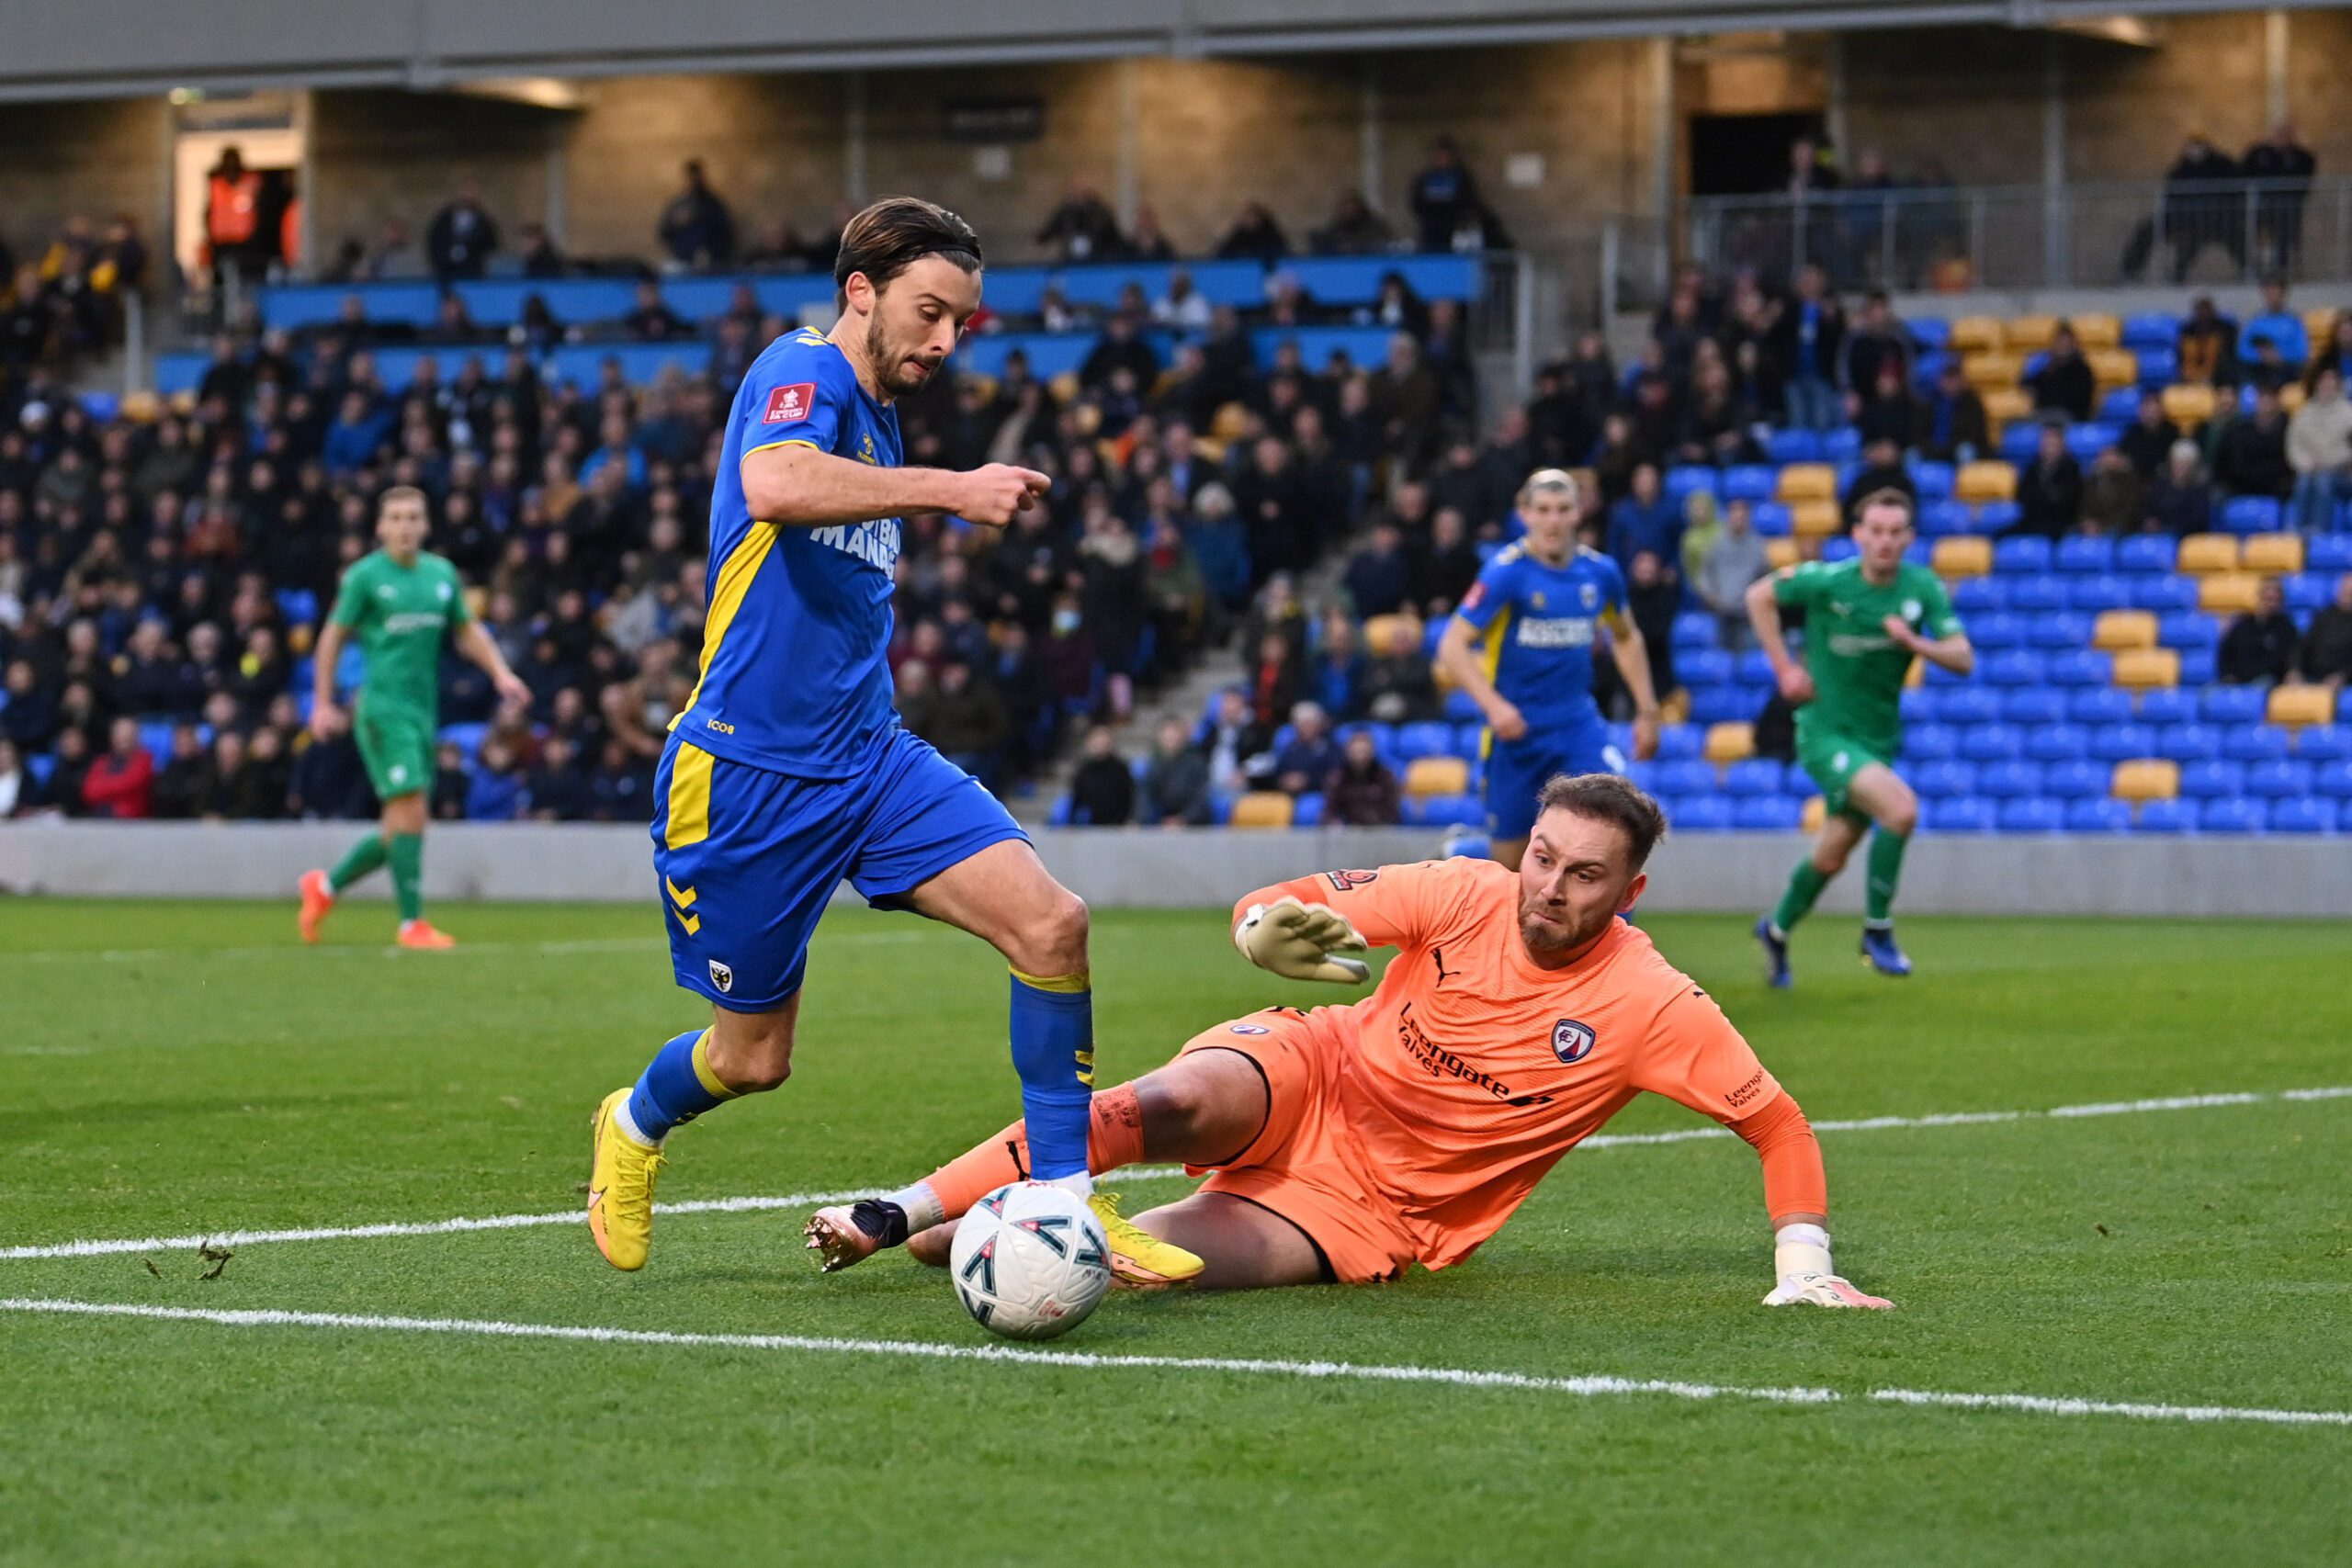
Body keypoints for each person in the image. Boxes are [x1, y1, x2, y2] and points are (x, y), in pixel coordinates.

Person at [581, 197, 1194, 1290]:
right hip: (749, 775)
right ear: (860, 291)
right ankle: (632, 1123)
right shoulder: (801, 368)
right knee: (750, 1060)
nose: (946, 341)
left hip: (871, 760)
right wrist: (952, 492)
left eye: (962, 323)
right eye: (930, 313)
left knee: (1052, 925)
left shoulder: (877, 414)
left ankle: (1067, 1201)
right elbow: (775, 483)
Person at [810, 774, 1891, 1309]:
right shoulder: (1464, 890)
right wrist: (1262, 931)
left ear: (1630, 892)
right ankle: (896, 1209)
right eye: (1542, 857)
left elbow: (1778, 1125)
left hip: (1372, 1211)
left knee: (1143, 1268)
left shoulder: (1653, 1004)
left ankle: (997, 1226)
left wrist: (1803, 1267)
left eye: (1583, 875)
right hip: (1313, 1073)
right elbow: (1277, 901)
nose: (1549, 888)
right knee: (1160, 1106)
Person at [1749, 490, 1973, 984]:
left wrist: (1914, 642)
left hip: (1877, 740)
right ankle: (1877, 929)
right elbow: (1758, 596)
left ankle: (1776, 929)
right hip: (1824, 734)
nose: (1885, 541)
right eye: (1876, 531)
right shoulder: (1830, 581)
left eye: (1895, 532)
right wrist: (1785, 669)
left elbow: (1963, 658)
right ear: (1858, 535)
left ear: (1909, 538)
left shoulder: (1921, 588)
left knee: (1831, 855)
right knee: (1901, 810)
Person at [299, 487, 532, 948]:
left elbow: (467, 630)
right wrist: (322, 704)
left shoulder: (440, 575)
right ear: (381, 527)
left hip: (424, 712)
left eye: (413, 517)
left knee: (402, 823)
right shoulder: (365, 577)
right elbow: (332, 637)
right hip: (383, 710)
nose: (405, 526)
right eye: (396, 517)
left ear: (425, 525)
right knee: (411, 811)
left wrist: (501, 673)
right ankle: (412, 924)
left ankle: (324, 887)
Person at [1436, 468, 1659, 870]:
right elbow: (1452, 645)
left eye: (1562, 509)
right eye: (1543, 510)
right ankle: (1463, 852)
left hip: (1577, 725)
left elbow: (1626, 637)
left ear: (1579, 512)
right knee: (1511, 869)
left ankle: (1616, 915)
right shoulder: (1506, 573)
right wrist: (1495, 707)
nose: (1553, 520)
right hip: (1518, 733)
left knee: (1616, 824)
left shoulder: (1600, 573)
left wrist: (1647, 710)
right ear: (1524, 514)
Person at [1698, 498, 1770, 650]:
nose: (1738, 520)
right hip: (1721, 612)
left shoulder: (1758, 547)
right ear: (1728, 517)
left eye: (1742, 516)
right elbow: (1705, 572)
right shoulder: (1716, 544)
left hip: (1747, 614)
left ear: (1748, 519)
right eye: (1734, 515)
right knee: (1722, 655)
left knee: (1748, 654)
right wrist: (1709, 593)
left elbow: (1764, 576)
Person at [2287, 366, 2352, 532]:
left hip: (2342, 474)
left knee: (2324, 480)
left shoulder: (2348, 414)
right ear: (2317, 383)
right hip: (2310, 470)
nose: (2327, 384)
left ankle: (2319, 533)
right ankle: (2297, 532)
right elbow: (2294, 445)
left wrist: (2328, 463)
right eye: (2324, 380)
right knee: (2304, 481)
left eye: (2332, 380)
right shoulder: (2304, 414)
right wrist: (2305, 463)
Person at [657, 160, 736, 271]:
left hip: (713, 263)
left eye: (696, 177)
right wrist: (676, 222)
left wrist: (710, 252)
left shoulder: (713, 204)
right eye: (690, 177)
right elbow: (664, 232)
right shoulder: (679, 204)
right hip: (683, 262)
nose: (693, 180)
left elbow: (725, 233)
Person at [2218, 579, 2299, 686]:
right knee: (2209, 692)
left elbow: (2289, 659)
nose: (2270, 604)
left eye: (2275, 600)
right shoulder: (2242, 625)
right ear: (2259, 598)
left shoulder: (2286, 628)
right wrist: (2228, 674)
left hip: (2268, 681)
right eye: (2267, 599)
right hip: (2238, 680)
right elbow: (2227, 653)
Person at [1136, 717, 1211, 827]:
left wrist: (1184, 819)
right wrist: (1139, 820)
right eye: (1167, 738)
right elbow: (1145, 795)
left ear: (1183, 737)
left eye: (1174, 737)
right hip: (1164, 822)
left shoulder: (1197, 763)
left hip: (1194, 824)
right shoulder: (1154, 764)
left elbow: (1201, 799)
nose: (1171, 741)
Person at [2017, 422, 2085, 538]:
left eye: (2053, 444)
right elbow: (2023, 496)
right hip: (2034, 521)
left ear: (2062, 446)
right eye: (2046, 443)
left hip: (2062, 523)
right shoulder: (2032, 468)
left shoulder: (2072, 469)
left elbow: (2069, 500)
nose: (2049, 448)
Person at [425, 177, 500, 283]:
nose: (468, 196)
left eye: (472, 192)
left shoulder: (484, 221)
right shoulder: (443, 219)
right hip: (446, 272)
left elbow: (492, 245)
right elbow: (434, 241)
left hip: (474, 272)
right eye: (465, 191)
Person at [1067, 724, 1136, 826]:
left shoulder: (1120, 769)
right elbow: (1076, 801)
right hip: (1090, 825)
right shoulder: (1083, 771)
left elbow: (1129, 799)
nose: (1100, 744)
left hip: (1117, 825)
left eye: (1103, 741)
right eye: (1097, 740)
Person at [2026, 323, 2095, 423]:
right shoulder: (2046, 368)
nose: (2063, 346)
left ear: (2073, 344)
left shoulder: (2082, 371)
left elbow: (2080, 401)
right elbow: (2029, 386)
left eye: (2066, 342)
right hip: (2044, 413)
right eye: (2060, 342)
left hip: (2070, 416)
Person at [2299, 574, 2352, 692]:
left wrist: (2343, 676)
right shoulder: (2323, 617)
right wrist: (2294, 670)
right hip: (2314, 676)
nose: (2348, 597)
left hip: (2345, 681)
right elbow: (2304, 647)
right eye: (2345, 592)